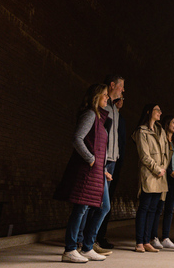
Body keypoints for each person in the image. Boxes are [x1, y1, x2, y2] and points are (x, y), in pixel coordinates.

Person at [54, 83, 113, 263]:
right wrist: (90, 159)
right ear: (96, 97)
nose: (107, 98)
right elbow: (77, 139)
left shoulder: (100, 119)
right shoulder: (90, 115)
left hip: (97, 172)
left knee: (104, 207)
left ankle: (87, 247)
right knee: (80, 208)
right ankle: (70, 249)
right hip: (87, 171)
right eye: (104, 95)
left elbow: (97, 146)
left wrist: (102, 169)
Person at [93, 75, 126, 252]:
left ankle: (96, 238)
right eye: (121, 87)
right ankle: (86, 240)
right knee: (97, 202)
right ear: (113, 85)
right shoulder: (103, 107)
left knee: (105, 202)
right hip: (103, 160)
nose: (123, 91)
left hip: (113, 159)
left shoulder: (114, 108)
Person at [131, 103, 170, 253]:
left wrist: (164, 167)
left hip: (160, 174)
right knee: (144, 207)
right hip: (149, 173)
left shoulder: (160, 130)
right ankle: (139, 242)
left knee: (154, 209)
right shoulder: (141, 131)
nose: (160, 112)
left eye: (160, 110)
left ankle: (147, 241)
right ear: (148, 112)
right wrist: (156, 168)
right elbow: (144, 155)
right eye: (157, 110)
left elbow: (166, 151)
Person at [151, 115, 174, 249]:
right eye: (173, 122)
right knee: (158, 207)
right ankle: (153, 236)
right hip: (164, 176)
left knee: (169, 209)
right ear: (167, 124)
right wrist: (169, 172)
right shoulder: (162, 140)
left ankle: (166, 237)